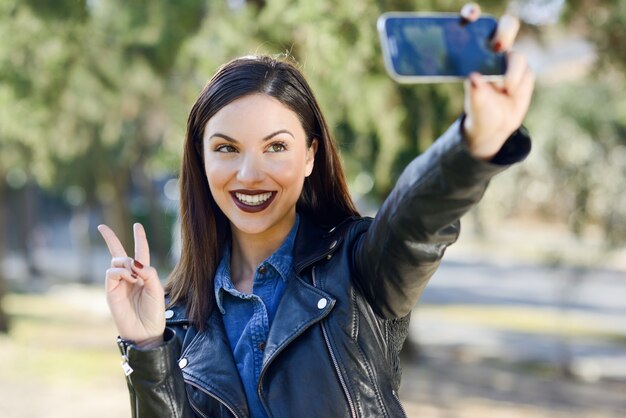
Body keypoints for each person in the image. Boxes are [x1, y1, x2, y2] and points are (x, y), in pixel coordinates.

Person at [97, 4, 534, 417]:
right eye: (227, 148)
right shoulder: (178, 313)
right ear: (201, 159)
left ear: (310, 156)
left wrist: (473, 143)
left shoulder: (360, 267)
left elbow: (419, 220)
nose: (250, 173)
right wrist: (149, 344)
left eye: (276, 147)